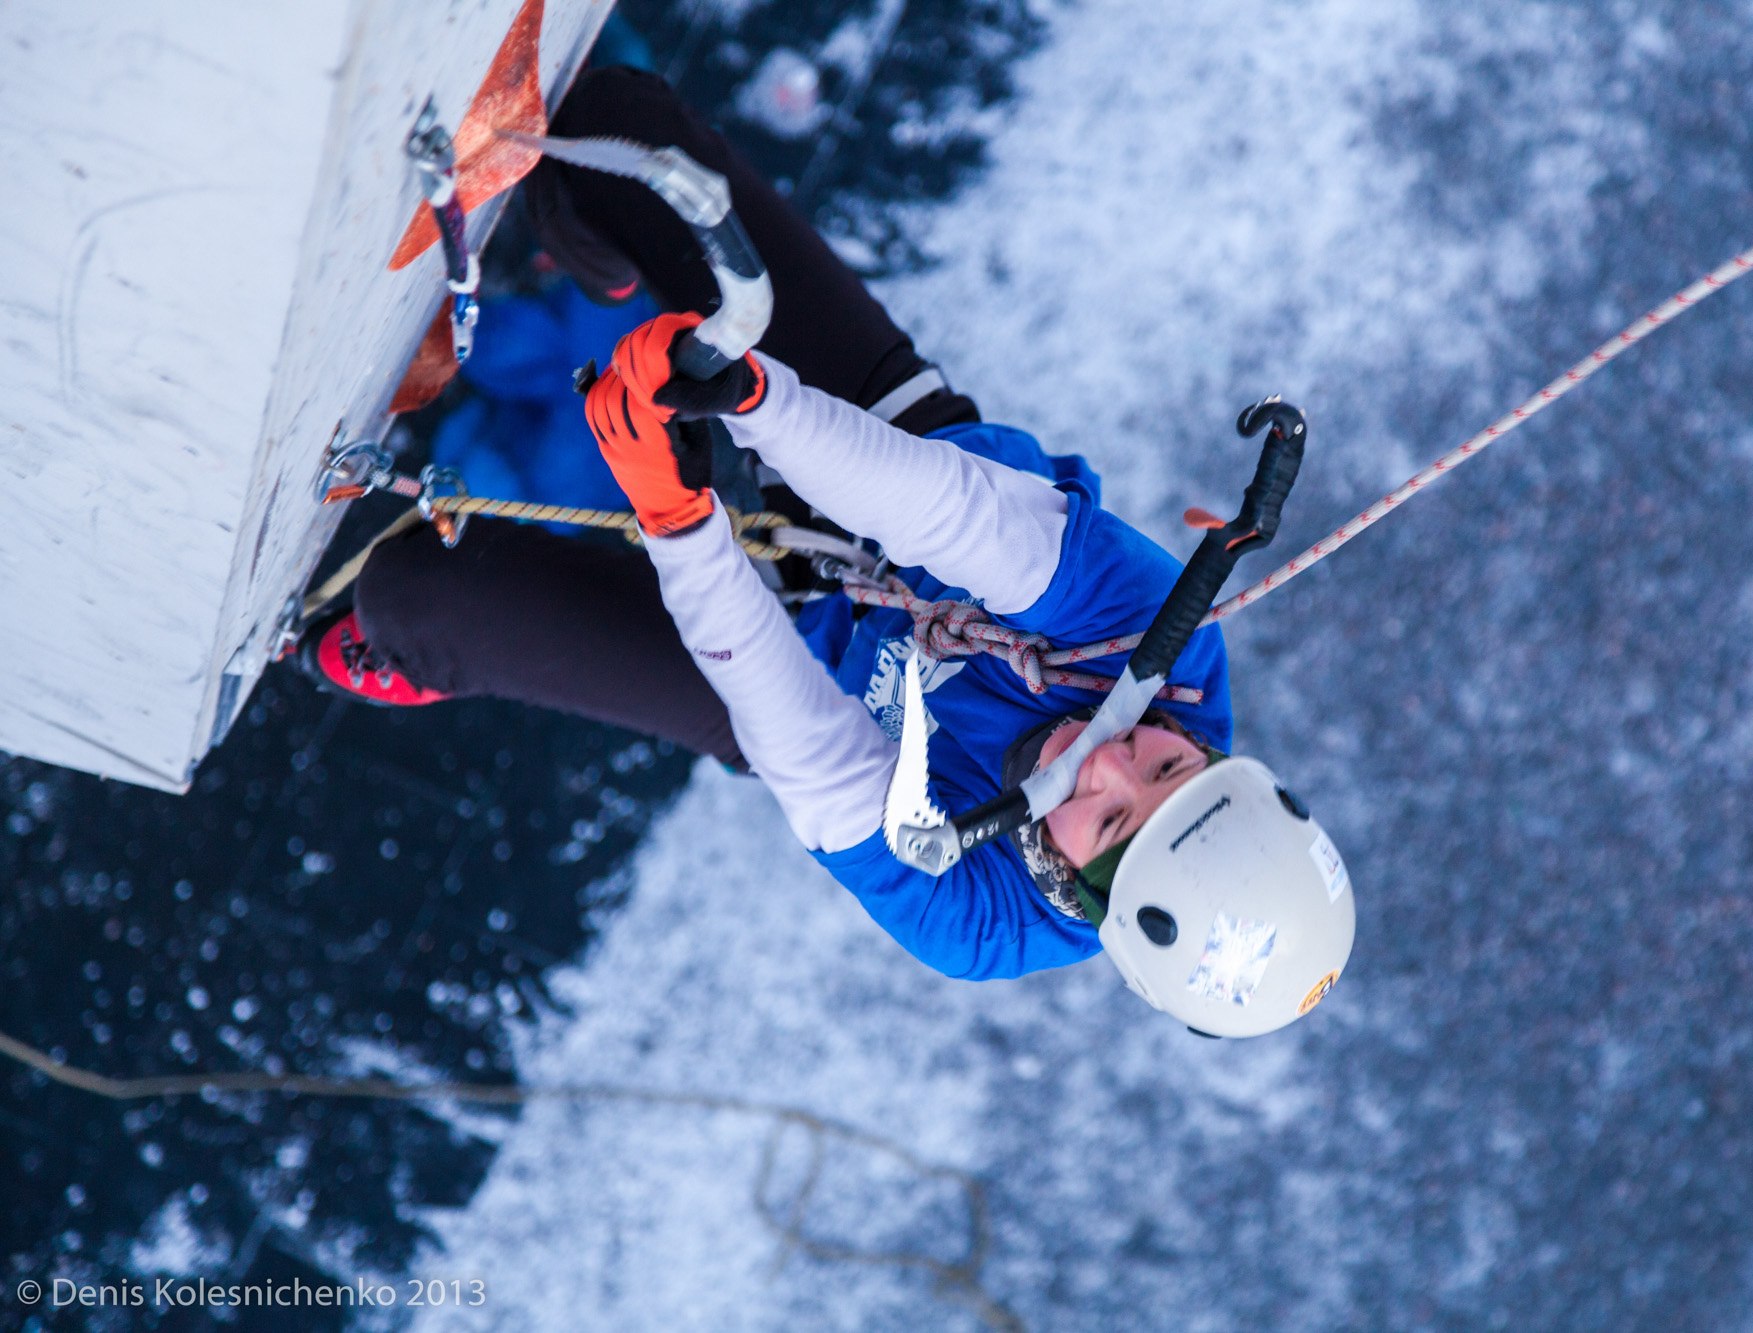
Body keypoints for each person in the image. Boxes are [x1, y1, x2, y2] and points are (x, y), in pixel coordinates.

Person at [308, 67, 1354, 1037]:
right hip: (894, 443)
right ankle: (593, 234)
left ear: (1086, 900)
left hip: (806, 678)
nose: (1110, 754)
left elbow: (807, 750)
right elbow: (940, 510)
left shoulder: (975, 917)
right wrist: (752, 396)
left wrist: (680, 522)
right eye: (1167, 761)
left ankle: (417, 648)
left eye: (1110, 817)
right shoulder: (1163, 640)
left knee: (418, 597)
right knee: (619, 129)